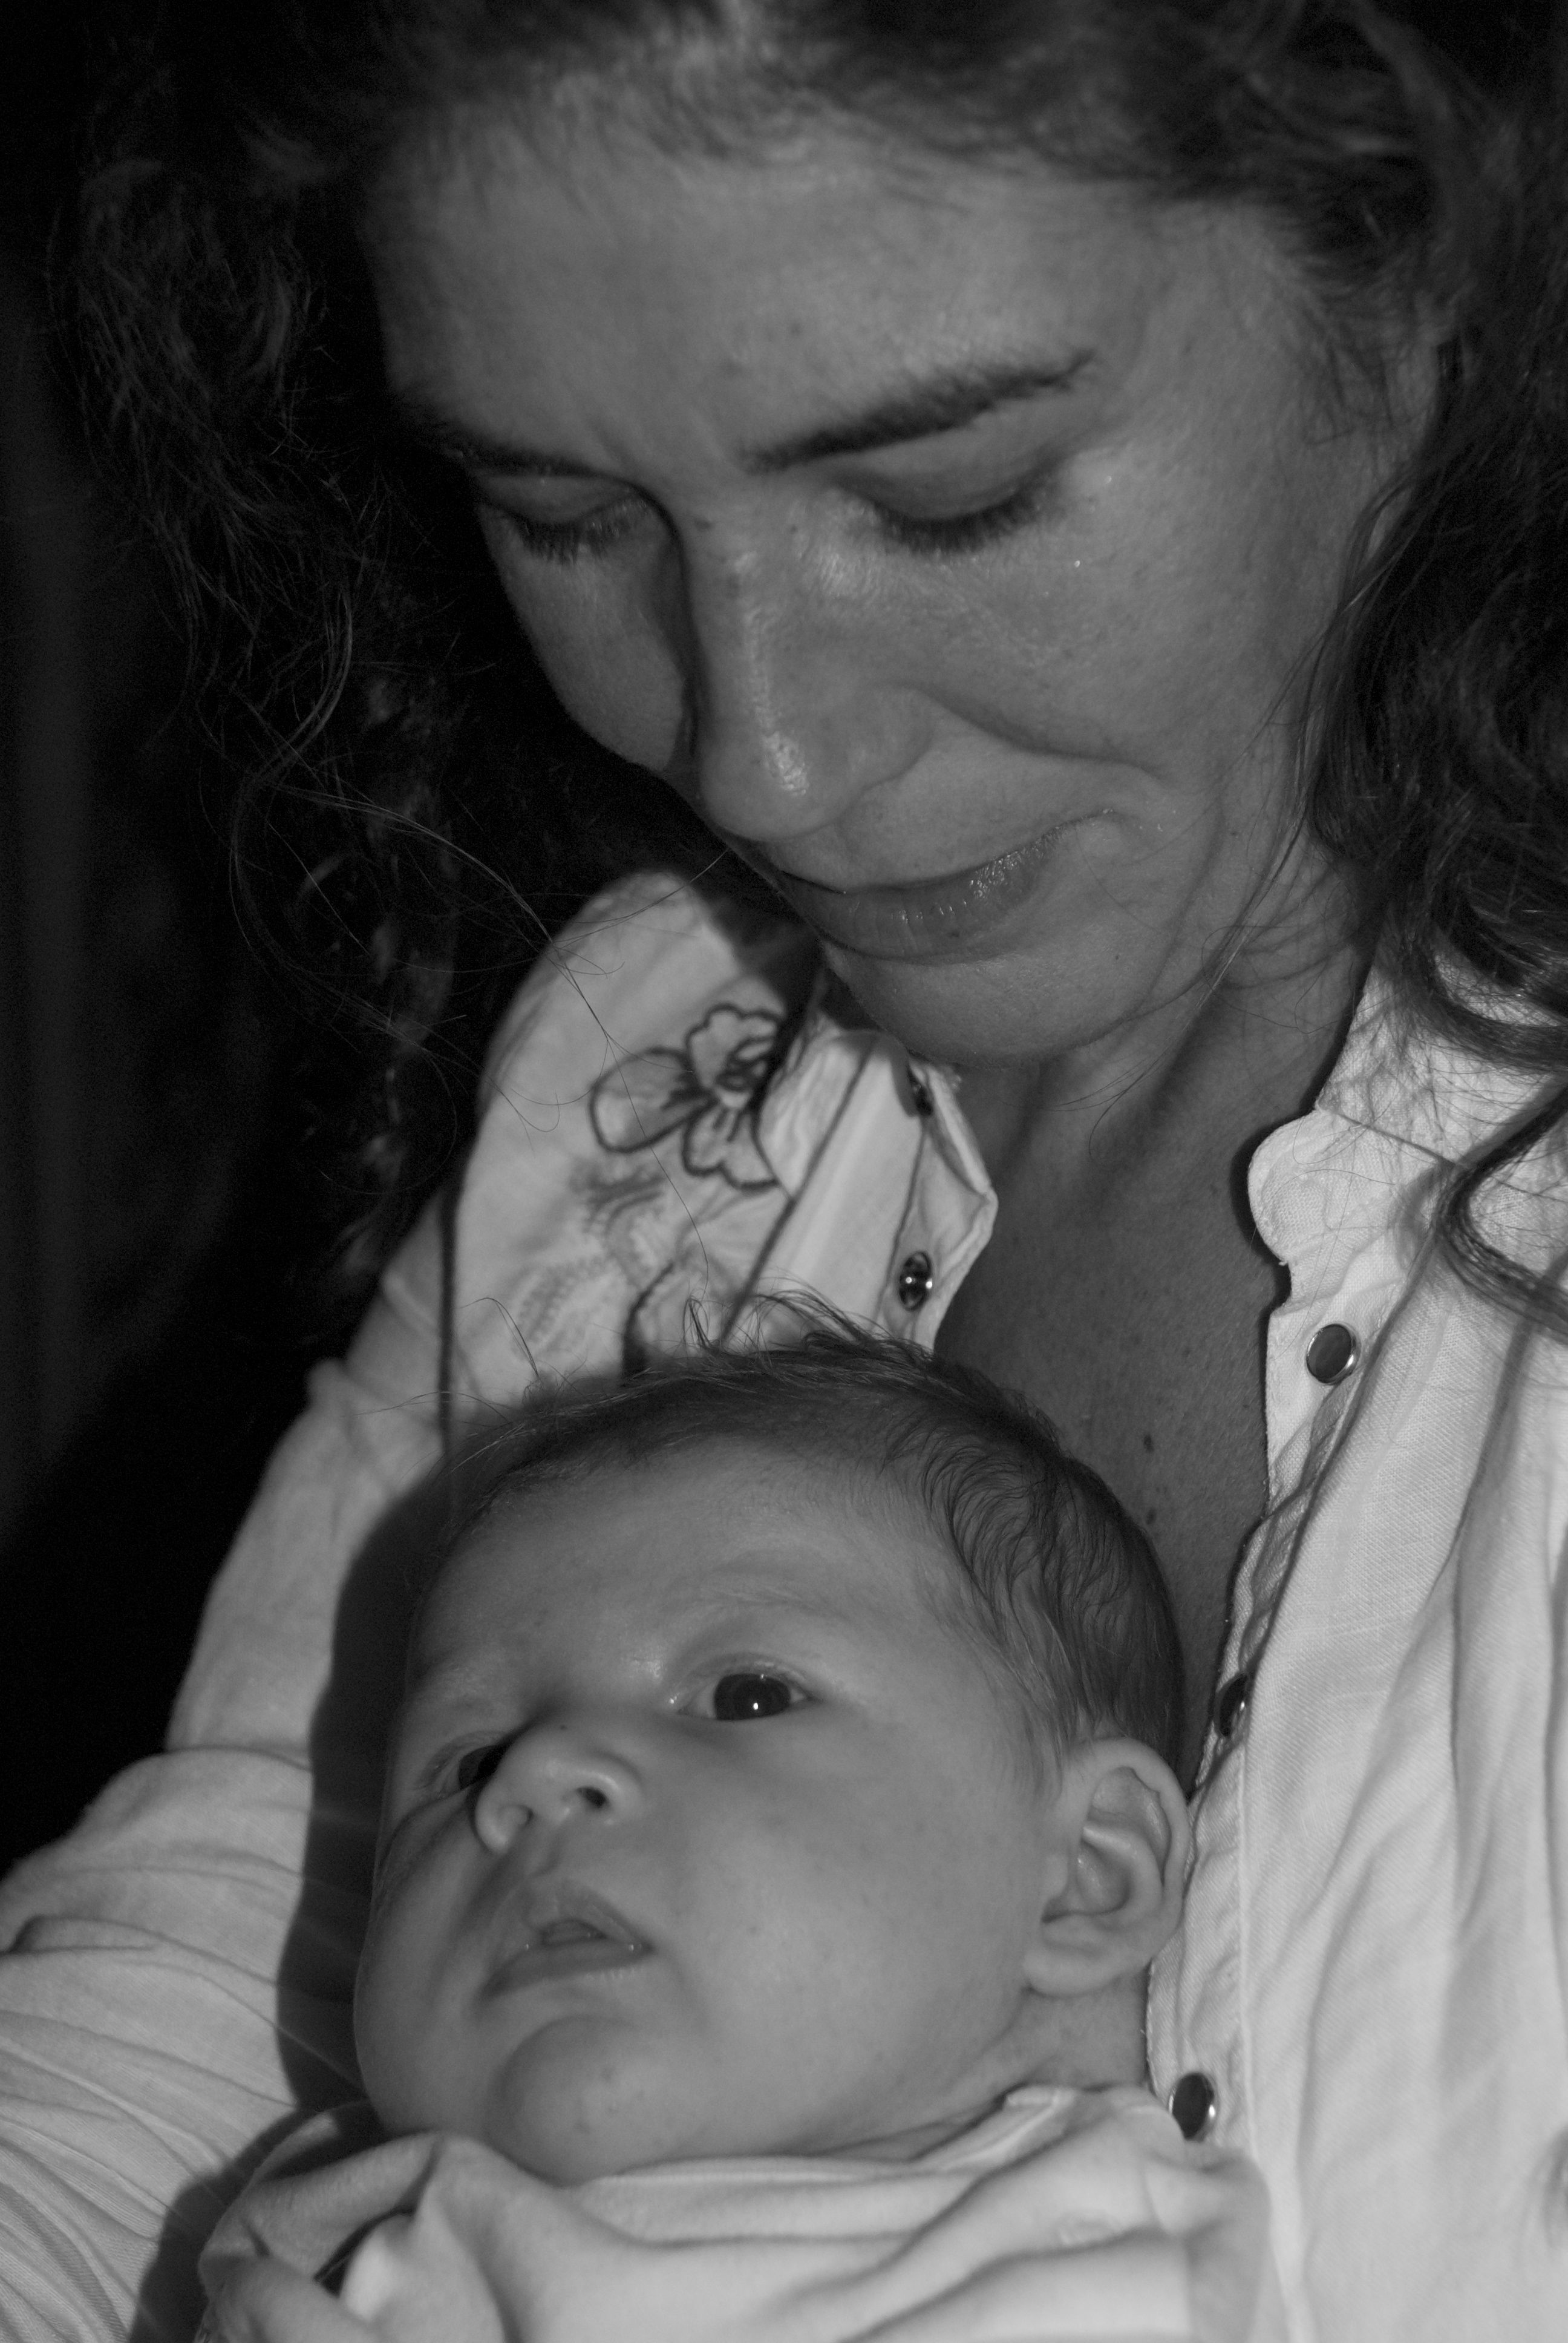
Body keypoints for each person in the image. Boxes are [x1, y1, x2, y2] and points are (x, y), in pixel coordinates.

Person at [1, 2, 1566, 2338]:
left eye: (948, 497)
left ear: (1440, 294)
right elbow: (222, 1943)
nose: (760, 755)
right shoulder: (654, 1062)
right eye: (564, 516)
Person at [198, 1332, 1278, 2343]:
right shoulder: (313, 2229)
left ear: (1084, 1875)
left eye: (746, 1697)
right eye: (469, 1762)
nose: (538, 1771)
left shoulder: (1066, 2258)